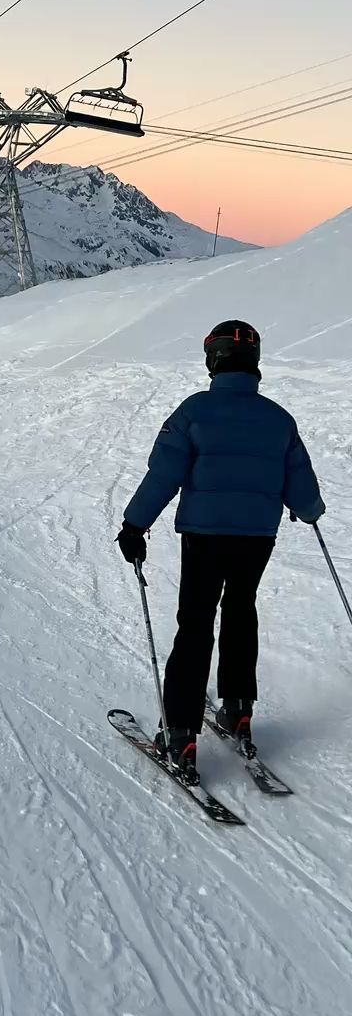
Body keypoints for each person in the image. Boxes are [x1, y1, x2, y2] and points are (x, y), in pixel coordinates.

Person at [116, 320, 324, 782]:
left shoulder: (193, 412)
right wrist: (310, 511)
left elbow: (162, 474)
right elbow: (304, 492)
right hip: (257, 536)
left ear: (213, 359)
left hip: (204, 534)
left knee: (194, 622)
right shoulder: (279, 419)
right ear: (255, 363)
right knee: (240, 608)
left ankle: (181, 733)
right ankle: (237, 708)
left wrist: (135, 525)